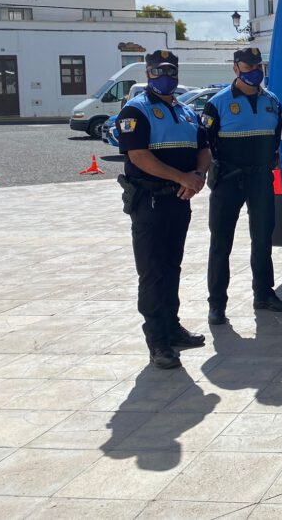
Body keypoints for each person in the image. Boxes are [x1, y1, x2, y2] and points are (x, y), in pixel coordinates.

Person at [115, 50, 210, 370]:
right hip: (150, 202)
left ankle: (172, 327)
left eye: (170, 71)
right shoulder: (136, 110)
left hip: (179, 200)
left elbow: (204, 149)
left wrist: (197, 177)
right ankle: (157, 341)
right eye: (158, 71)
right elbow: (139, 156)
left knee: (172, 267)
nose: (165, 77)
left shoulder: (186, 111)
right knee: (153, 272)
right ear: (148, 74)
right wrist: (182, 177)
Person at [202, 47, 282, 325]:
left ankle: (263, 293)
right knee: (221, 242)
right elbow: (205, 144)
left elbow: (275, 139)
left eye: (257, 66)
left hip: (260, 179)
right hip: (228, 180)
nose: (254, 71)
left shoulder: (272, 102)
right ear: (235, 68)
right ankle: (217, 304)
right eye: (248, 66)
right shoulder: (217, 104)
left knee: (263, 238)